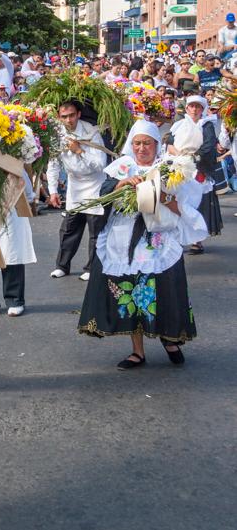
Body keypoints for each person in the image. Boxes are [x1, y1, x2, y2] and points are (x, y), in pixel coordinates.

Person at [78, 120, 206, 369]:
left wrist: (166, 199)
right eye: (137, 143)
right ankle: (137, 351)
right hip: (123, 239)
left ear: (157, 145)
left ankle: (169, 339)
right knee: (132, 292)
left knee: (163, 289)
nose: (141, 148)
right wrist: (121, 184)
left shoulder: (170, 169)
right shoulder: (121, 167)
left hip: (159, 240)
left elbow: (186, 202)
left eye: (147, 143)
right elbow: (102, 195)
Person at [47, 99, 107, 282]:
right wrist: (53, 190)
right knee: (69, 228)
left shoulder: (91, 132)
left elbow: (100, 164)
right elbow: (53, 163)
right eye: (64, 116)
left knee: (95, 229)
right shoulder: (57, 134)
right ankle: (62, 266)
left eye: (71, 115)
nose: (68, 120)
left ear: (78, 114)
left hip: (95, 184)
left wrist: (79, 150)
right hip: (74, 185)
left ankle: (91, 267)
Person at [167, 95, 223, 254]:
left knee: (196, 204)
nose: (194, 109)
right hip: (178, 166)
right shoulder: (178, 125)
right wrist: (178, 156)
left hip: (197, 168)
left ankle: (196, 240)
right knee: (176, 203)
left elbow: (208, 146)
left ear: (202, 109)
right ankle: (177, 238)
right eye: (192, 106)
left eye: (198, 107)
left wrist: (191, 158)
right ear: (186, 108)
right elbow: (170, 143)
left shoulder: (206, 125)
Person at [0, 172, 36, 317]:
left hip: (11, 214)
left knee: (12, 256)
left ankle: (15, 300)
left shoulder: (14, 164)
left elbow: (28, 191)